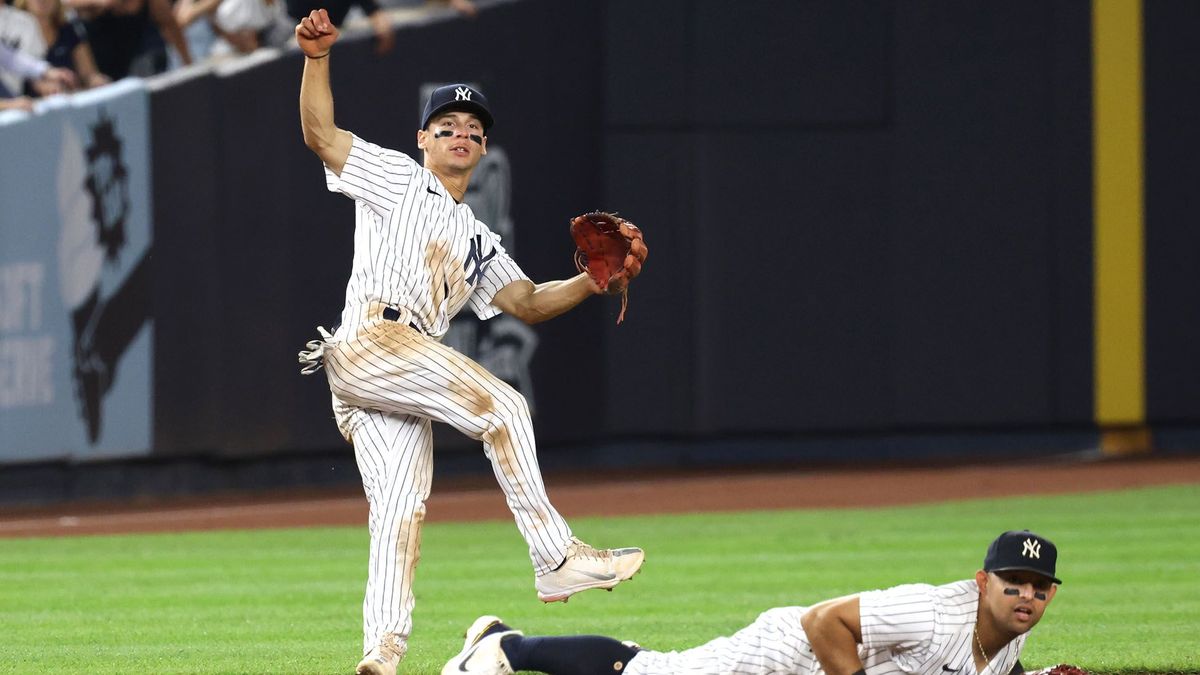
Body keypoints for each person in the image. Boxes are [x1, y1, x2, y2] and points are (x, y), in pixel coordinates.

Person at [293, 9, 647, 675]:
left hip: (395, 366)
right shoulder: (396, 176)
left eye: (473, 131)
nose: (461, 134)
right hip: (372, 337)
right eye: (448, 126)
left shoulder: (478, 237)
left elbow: (527, 302)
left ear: (483, 151)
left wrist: (590, 281)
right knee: (506, 408)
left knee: (401, 511)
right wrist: (316, 59)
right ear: (423, 137)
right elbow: (320, 133)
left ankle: (382, 654)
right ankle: (556, 558)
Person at [443, 530, 1063, 675]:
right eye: (1014, 582)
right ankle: (503, 643)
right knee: (652, 674)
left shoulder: (1009, 633)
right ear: (982, 582)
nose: (1026, 596)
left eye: (1038, 587)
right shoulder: (933, 611)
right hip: (787, 651)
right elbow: (826, 622)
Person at [14, 0, 111, 90]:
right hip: (29, 104)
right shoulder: (13, 37)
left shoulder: (69, 29)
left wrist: (96, 80)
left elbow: (89, 73)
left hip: (72, 98)